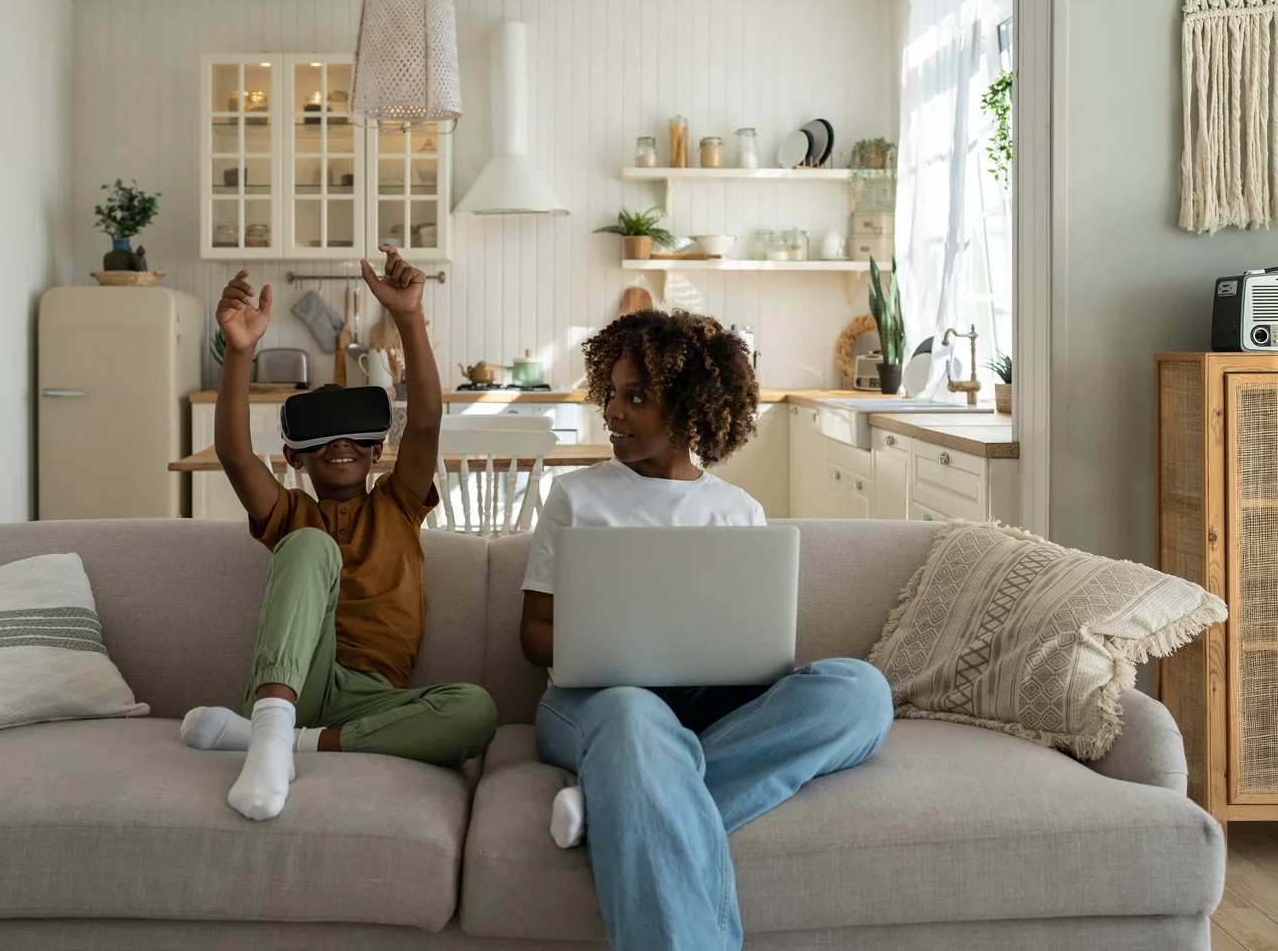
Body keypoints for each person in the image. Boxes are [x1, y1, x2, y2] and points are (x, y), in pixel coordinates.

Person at [518, 309, 894, 951]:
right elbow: (533, 635)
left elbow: (757, 640)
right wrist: (622, 651)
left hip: (708, 710)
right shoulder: (576, 497)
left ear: (690, 407)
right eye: (610, 392)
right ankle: (630, 782)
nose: (613, 410)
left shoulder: (738, 511)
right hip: (600, 704)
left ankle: (617, 801)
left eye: (636, 397)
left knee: (860, 692)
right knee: (637, 723)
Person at [183, 247, 497, 821]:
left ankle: (278, 743)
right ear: (296, 459)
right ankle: (275, 723)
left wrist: (409, 317)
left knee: (476, 710)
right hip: (301, 677)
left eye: (355, 436)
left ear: (379, 451)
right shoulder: (291, 517)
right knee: (309, 545)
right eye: (323, 439)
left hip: (375, 698)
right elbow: (234, 453)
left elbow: (425, 420)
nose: (341, 446)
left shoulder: (398, 505)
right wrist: (239, 353)